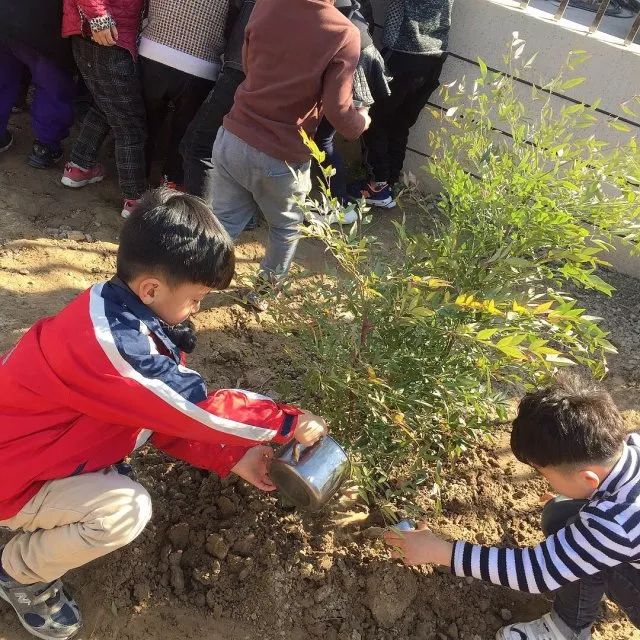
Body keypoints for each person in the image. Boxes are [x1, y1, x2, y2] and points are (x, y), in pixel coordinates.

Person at [0, 189, 328, 640]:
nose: (198, 309)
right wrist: (289, 421)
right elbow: (192, 408)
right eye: (196, 298)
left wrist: (232, 458)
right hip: (14, 477)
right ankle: (20, 574)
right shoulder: (113, 349)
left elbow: (155, 415)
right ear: (151, 288)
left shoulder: (116, 310)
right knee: (125, 509)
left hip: (35, 450)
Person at [384, 377, 640, 640]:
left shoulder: (616, 524)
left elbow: (537, 571)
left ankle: (565, 631)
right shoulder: (632, 445)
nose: (543, 479)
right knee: (562, 515)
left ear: (588, 479)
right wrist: (578, 493)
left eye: (544, 474)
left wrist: (440, 551)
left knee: (574, 538)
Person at [210, 0, 371, 312]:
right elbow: (340, 113)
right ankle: (264, 294)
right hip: (281, 155)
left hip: (233, 135)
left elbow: (248, 63)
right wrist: (362, 120)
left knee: (224, 221)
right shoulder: (343, 33)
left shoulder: (266, 4)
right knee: (285, 229)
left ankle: (192, 279)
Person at [349, 0, 453, 209]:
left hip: (403, 53)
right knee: (400, 123)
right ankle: (389, 182)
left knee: (373, 118)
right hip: (435, 57)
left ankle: (377, 186)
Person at [60, 0, 148, 219]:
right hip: (108, 35)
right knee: (129, 124)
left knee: (106, 104)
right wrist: (99, 17)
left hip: (100, 34)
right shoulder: (102, 23)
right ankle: (135, 200)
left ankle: (80, 166)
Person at [139, 0, 230, 191]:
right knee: (184, 131)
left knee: (147, 123)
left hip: (155, 49)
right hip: (201, 64)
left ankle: (138, 182)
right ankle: (172, 182)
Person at [314, 0, 390, 205]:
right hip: (361, 54)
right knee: (323, 136)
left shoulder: (338, 9)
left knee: (322, 138)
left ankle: (337, 203)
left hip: (356, 60)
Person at [180, 0, 255, 201]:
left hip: (240, 69)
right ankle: (241, 215)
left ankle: (201, 223)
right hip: (270, 75)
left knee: (197, 145)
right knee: (244, 147)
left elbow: (234, 13)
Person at [0, 0, 76, 168]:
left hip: (6, 15)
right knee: (51, 83)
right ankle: (45, 147)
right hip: (44, 24)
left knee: (3, 75)